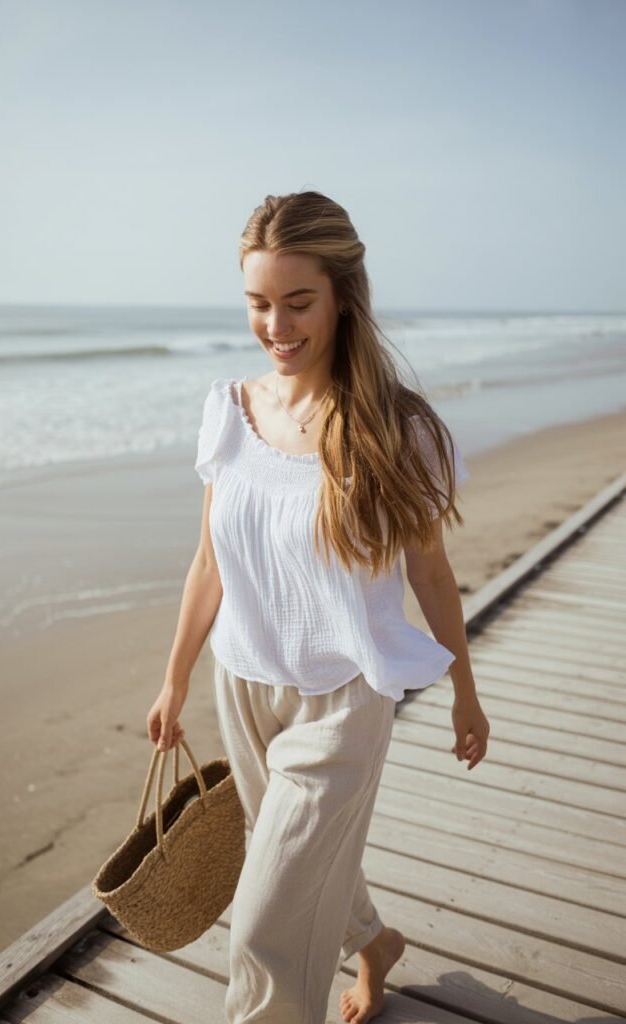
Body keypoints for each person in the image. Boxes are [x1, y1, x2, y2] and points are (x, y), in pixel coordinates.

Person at [147, 190, 490, 1024]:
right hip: (244, 687)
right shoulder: (229, 412)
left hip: (343, 700)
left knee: (262, 925)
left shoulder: (396, 429)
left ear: (342, 294)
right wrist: (173, 681)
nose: (277, 325)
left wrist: (465, 689)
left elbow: (433, 575)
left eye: (298, 302)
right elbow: (208, 563)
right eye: (259, 304)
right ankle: (372, 943)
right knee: (297, 868)